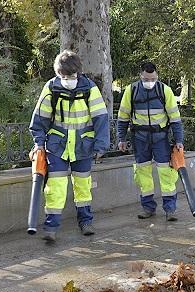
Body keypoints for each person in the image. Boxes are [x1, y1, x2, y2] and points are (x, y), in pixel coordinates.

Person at [29, 50, 110, 241]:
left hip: (83, 146)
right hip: (58, 146)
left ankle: (86, 222)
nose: (67, 80)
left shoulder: (90, 89)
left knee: (83, 186)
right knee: (55, 187)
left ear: (78, 73)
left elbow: (101, 119)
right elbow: (40, 119)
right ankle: (51, 228)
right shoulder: (51, 88)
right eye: (63, 76)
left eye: (71, 76)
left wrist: (101, 147)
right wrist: (39, 144)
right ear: (58, 73)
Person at [116, 62, 184, 221]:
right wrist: (121, 138)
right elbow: (123, 117)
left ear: (157, 76)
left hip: (160, 138)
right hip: (140, 138)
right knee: (143, 173)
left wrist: (179, 140)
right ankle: (148, 207)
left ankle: (170, 209)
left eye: (153, 78)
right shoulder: (131, 90)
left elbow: (175, 118)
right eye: (146, 79)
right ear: (141, 76)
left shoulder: (164, 90)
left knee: (166, 173)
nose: (150, 82)